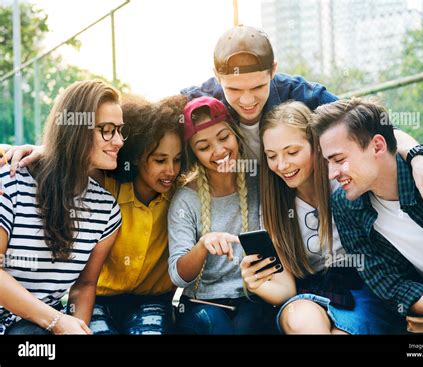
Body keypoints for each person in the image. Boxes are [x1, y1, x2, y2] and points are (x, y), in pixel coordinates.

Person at [181, 25, 423, 208]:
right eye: (234, 90)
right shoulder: (198, 103)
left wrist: (419, 157)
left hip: (296, 204)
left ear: (273, 71)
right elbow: (151, 131)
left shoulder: (303, 95)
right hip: (237, 206)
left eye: (258, 87)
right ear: (217, 78)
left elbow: (375, 129)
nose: (248, 100)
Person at [240, 101, 405, 334]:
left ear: (316, 146)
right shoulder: (273, 206)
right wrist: (257, 284)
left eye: (292, 152)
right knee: (303, 322)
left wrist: (420, 158)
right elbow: (286, 291)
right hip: (306, 296)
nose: (282, 165)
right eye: (272, 156)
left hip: (364, 286)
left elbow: (390, 142)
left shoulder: (344, 182)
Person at [313, 97, 423, 319]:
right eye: (327, 163)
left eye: (339, 160)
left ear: (377, 146)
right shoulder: (346, 206)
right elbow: (393, 288)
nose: (331, 174)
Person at [0, 80, 123, 334]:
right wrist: (57, 322)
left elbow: (85, 284)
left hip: (40, 327)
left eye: (120, 130)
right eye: (107, 130)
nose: (119, 141)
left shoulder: (106, 211)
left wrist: (76, 326)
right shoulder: (10, 184)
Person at [167, 96, 275, 334]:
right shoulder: (186, 199)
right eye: (204, 147)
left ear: (236, 134)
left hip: (253, 298)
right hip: (200, 304)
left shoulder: (260, 183)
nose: (219, 151)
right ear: (194, 154)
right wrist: (203, 244)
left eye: (224, 137)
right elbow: (178, 276)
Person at [88, 95, 187, 335]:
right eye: (160, 160)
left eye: (177, 160)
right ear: (136, 156)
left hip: (152, 300)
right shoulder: (106, 186)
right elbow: (69, 157)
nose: (171, 170)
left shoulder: (180, 194)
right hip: (98, 298)